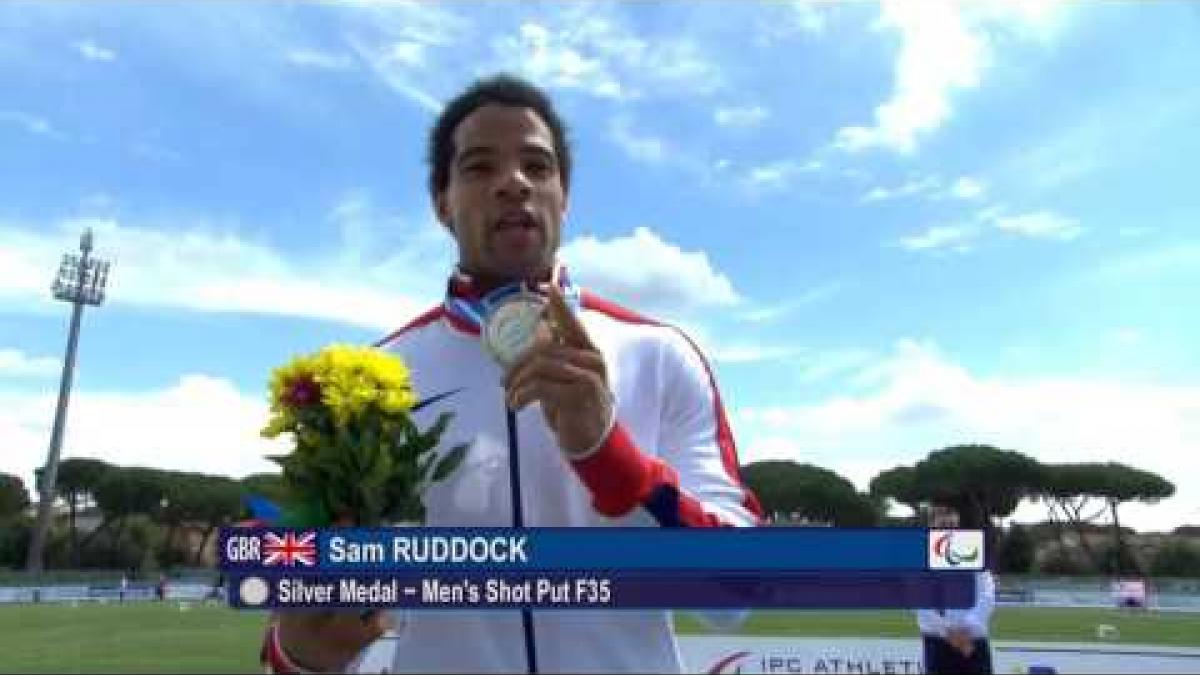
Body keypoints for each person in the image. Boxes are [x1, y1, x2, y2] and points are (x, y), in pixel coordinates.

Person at [260, 73, 763, 674]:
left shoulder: (657, 353)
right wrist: (300, 655)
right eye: (478, 167)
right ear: (441, 203)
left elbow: (740, 592)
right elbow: (302, 621)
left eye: (537, 165)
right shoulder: (372, 382)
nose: (513, 183)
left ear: (565, 196)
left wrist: (610, 455)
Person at [917, 505, 996, 675]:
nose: (948, 530)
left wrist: (968, 626)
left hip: (973, 640)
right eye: (942, 526)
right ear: (932, 528)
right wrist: (950, 632)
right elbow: (922, 605)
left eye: (952, 526)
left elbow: (987, 595)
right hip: (938, 643)